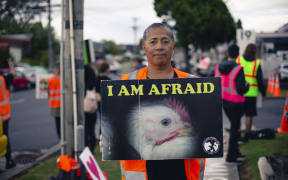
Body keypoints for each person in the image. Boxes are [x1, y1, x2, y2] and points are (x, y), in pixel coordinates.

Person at [100, 23, 205, 180]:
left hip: (184, 174)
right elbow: (116, 127)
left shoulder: (194, 84)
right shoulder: (125, 83)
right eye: (153, 41)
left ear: (173, 46)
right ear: (144, 47)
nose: (159, 46)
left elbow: (204, 129)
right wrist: (108, 139)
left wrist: (215, 134)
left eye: (165, 41)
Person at [213, 44, 249, 163]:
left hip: (223, 101)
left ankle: (236, 153)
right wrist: (247, 87)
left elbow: (210, 81)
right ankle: (231, 156)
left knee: (235, 127)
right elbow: (240, 89)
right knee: (235, 128)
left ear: (227, 53)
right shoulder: (239, 69)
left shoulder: (218, 67)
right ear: (238, 55)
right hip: (236, 103)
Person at [236, 43, 266, 142]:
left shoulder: (239, 60)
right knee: (249, 115)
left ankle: (238, 134)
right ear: (255, 52)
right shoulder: (256, 63)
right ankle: (247, 135)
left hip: (240, 91)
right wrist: (263, 92)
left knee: (239, 115)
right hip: (251, 93)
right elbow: (260, 80)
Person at [0, 58, 16, 169]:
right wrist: (11, 64)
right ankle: (9, 161)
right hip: (3, 115)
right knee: (5, 137)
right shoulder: (2, 79)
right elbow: (12, 74)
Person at [84, 63, 98, 153]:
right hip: (92, 107)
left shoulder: (81, 85)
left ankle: (86, 148)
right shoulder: (94, 79)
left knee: (85, 129)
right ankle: (92, 148)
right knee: (92, 129)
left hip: (83, 107)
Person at [48, 65, 61, 139]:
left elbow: (48, 93)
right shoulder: (61, 79)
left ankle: (60, 139)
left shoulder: (51, 80)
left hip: (53, 105)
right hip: (61, 104)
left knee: (58, 124)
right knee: (63, 124)